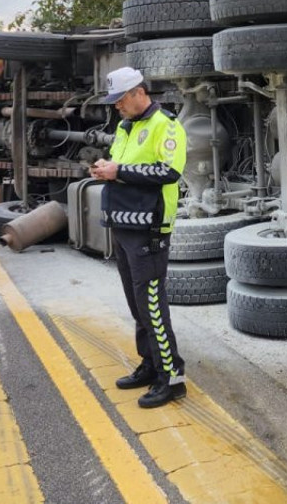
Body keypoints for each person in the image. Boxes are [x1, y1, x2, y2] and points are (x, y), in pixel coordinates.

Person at [90, 66, 189, 408]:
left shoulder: (167, 125)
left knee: (152, 306)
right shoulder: (126, 126)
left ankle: (171, 377)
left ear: (138, 93)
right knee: (137, 304)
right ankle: (150, 365)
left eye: (120, 100)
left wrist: (119, 171)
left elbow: (169, 171)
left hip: (150, 227)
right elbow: (123, 166)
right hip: (124, 223)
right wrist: (107, 167)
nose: (116, 107)